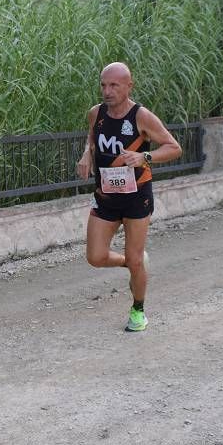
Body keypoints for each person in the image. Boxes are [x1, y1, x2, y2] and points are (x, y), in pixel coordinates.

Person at [76, 62, 182, 332]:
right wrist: (87, 154)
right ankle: (134, 263)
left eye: (114, 86)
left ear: (128, 86)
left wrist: (144, 156)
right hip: (105, 196)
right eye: (103, 85)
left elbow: (174, 147)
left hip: (136, 197)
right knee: (96, 257)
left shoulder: (141, 116)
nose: (107, 91)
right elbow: (91, 138)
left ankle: (138, 310)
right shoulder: (95, 113)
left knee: (134, 259)